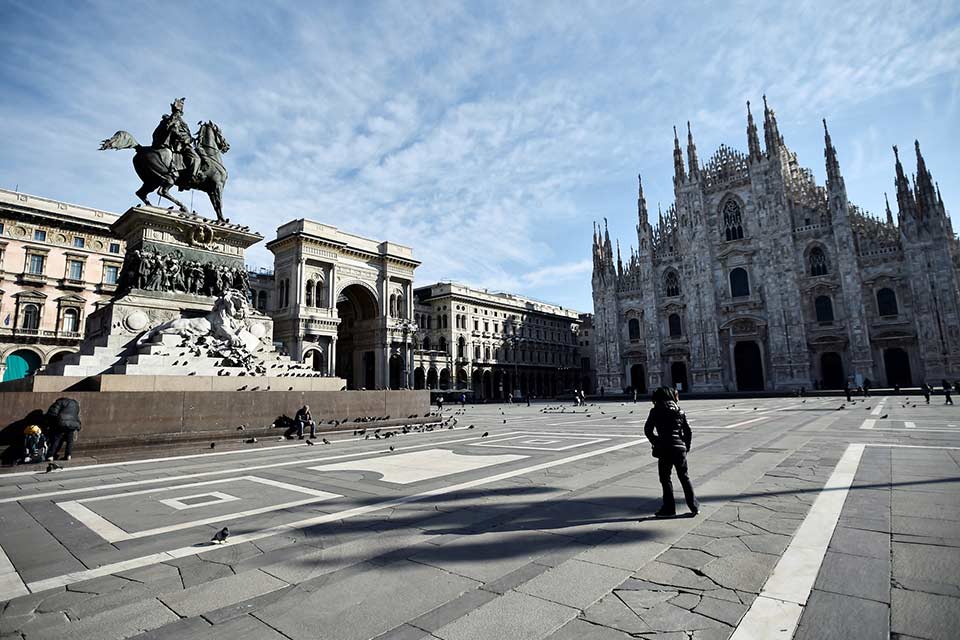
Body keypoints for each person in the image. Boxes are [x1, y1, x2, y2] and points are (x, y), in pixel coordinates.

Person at [644, 387, 698, 518]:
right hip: (680, 449)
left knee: (665, 479)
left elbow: (647, 430)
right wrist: (686, 446)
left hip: (664, 449)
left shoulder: (655, 411)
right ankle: (694, 506)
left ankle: (669, 509)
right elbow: (688, 431)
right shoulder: (680, 411)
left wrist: (656, 441)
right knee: (684, 477)